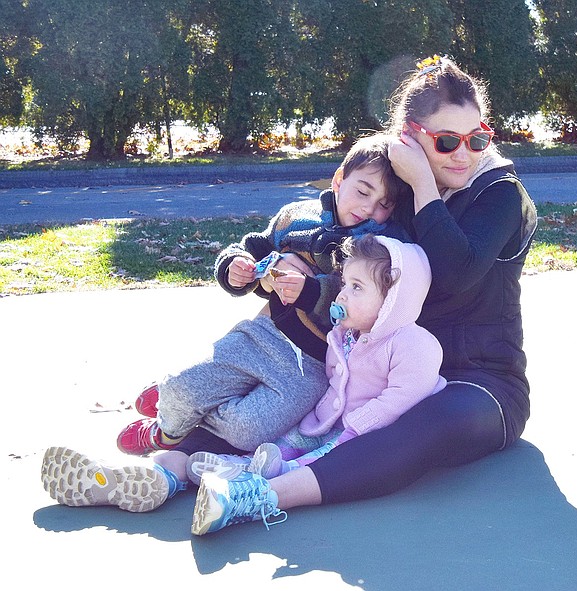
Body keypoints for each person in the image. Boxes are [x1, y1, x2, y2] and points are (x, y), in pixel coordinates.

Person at [190, 54, 538, 536]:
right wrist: (287, 264)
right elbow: (337, 237)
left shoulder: (499, 193)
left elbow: (455, 272)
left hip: (480, 384)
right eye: (447, 141)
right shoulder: (392, 196)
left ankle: (259, 495)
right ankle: (168, 464)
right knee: (300, 404)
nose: (465, 153)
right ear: (410, 139)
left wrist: (422, 181)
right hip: (378, 364)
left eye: (478, 137)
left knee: (413, 424)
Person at [41, 133, 411, 511]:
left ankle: (179, 413)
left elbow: (365, 301)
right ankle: (166, 428)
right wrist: (235, 269)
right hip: (262, 334)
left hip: (314, 366)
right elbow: (251, 247)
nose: (369, 209)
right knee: (181, 391)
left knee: (249, 430)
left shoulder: (373, 248)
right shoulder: (295, 217)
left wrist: (310, 291)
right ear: (338, 180)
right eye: (362, 191)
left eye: (383, 204)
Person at [186, 233, 446, 485]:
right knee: (286, 442)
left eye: (357, 287)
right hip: (327, 423)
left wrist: (357, 427)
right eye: (345, 284)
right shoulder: (343, 337)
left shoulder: (414, 344)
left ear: (393, 300)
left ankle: (273, 475)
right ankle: (242, 465)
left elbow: (400, 399)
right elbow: (333, 381)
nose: (342, 295)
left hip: (367, 434)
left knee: (320, 460)